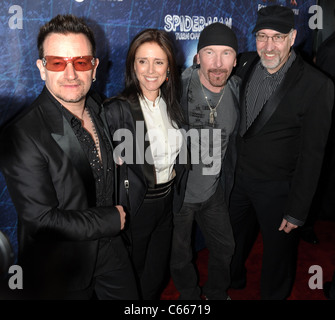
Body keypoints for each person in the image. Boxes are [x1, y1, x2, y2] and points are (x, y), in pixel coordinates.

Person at [0, 14, 138, 300]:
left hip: (111, 249)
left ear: (95, 67)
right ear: (41, 68)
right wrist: (110, 220)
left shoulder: (98, 106)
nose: (71, 74)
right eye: (57, 63)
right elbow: (42, 221)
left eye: (81, 62)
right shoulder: (22, 133)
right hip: (62, 264)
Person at [229, 5, 334, 300]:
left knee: (277, 257)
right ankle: (233, 282)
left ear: (293, 37)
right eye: (262, 36)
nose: (269, 46)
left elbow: (313, 156)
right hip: (239, 181)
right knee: (232, 243)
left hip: (278, 190)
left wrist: (298, 210)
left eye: (278, 37)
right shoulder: (246, 63)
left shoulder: (317, 85)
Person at [103, 29, 188, 300]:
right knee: (131, 276)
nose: (150, 70)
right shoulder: (116, 109)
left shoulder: (173, 104)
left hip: (167, 204)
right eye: (142, 61)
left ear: (169, 68)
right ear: (132, 65)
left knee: (155, 274)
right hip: (135, 207)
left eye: (159, 62)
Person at [170, 22, 240, 300]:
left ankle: (216, 293)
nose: (218, 63)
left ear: (236, 60)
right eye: (210, 52)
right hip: (179, 194)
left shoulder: (238, 90)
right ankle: (189, 296)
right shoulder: (176, 88)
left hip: (214, 192)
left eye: (226, 53)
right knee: (179, 254)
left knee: (225, 247)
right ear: (197, 56)